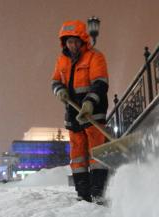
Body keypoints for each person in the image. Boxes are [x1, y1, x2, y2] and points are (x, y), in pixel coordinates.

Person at [51, 20, 109, 205]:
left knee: (96, 154)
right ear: (64, 42)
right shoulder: (62, 60)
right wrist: (59, 90)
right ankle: (83, 194)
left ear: (83, 40)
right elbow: (55, 81)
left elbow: (100, 83)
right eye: (69, 41)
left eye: (76, 41)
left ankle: (98, 192)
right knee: (77, 156)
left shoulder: (95, 57)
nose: (72, 45)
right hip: (73, 113)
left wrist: (90, 103)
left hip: (93, 112)